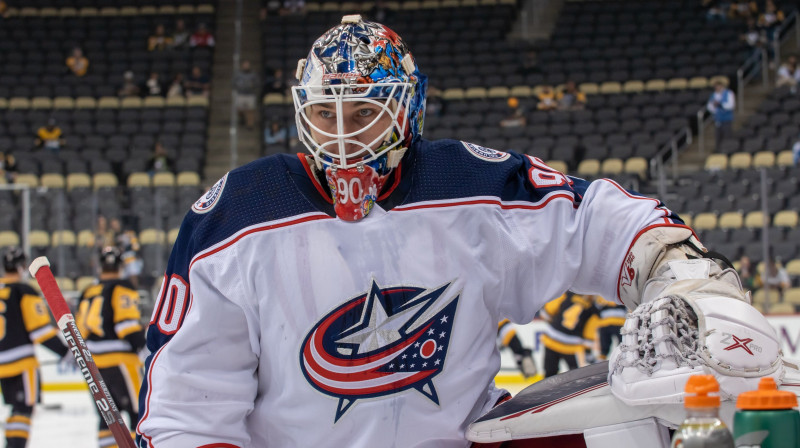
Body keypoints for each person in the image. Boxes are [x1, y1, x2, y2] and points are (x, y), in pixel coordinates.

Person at [135, 16, 758, 447]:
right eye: (326, 113)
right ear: (302, 111)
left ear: (407, 110)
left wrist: (682, 273)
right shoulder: (236, 216)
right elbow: (190, 405)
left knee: (639, 421)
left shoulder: (470, 185)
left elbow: (597, 220)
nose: (342, 135)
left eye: (366, 112)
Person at [76, 247, 145, 448]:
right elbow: (126, 326)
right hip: (122, 362)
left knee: (107, 419)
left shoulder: (88, 290)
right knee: (137, 413)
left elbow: (79, 330)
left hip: (94, 365)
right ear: (121, 266)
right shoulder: (123, 286)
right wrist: (145, 348)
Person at [0, 247, 68, 448]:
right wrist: (66, 352)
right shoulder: (24, 290)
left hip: (1, 364)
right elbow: (40, 332)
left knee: (16, 409)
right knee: (24, 409)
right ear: (22, 267)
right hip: (22, 362)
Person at [538, 292, 600, 377]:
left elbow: (547, 312)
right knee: (575, 377)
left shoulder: (567, 295)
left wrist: (554, 322)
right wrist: (588, 353)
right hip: (571, 345)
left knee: (549, 374)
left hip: (552, 338)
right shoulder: (593, 311)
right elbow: (588, 336)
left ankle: (545, 390)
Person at [592, 296, 625, 361]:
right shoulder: (600, 297)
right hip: (606, 322)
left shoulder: (622, 295)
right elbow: (595, 308)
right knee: (604, 342)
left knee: (622, 341)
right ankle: (602, 357)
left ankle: (623, 356)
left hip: (618, 322)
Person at [706, 79, 735, 149]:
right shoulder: (713, 95)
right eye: (716, 87)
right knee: (718, 138)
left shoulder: (728, 93)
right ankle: (718, 151)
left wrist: (720, 105)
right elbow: (709, 106)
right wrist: (714, 108)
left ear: (722, 86)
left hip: (726, 119)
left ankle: (727, 151)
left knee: (727, 137)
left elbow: (731, 105)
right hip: (717, 120)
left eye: (718, 86)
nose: (717, 88)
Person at [234, 60, 259, 129]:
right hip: (241, 94)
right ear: (242, 66)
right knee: (239, 109)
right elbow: (233, 83)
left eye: (247, 65)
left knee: (250, 110)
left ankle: (250, 125)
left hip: (250, 94)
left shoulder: (253, 74)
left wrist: (252, 85)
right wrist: (239, 86)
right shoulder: (238, 74)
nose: (246, 66)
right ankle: (242, 118)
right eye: (245, 65)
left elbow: (257, 83)